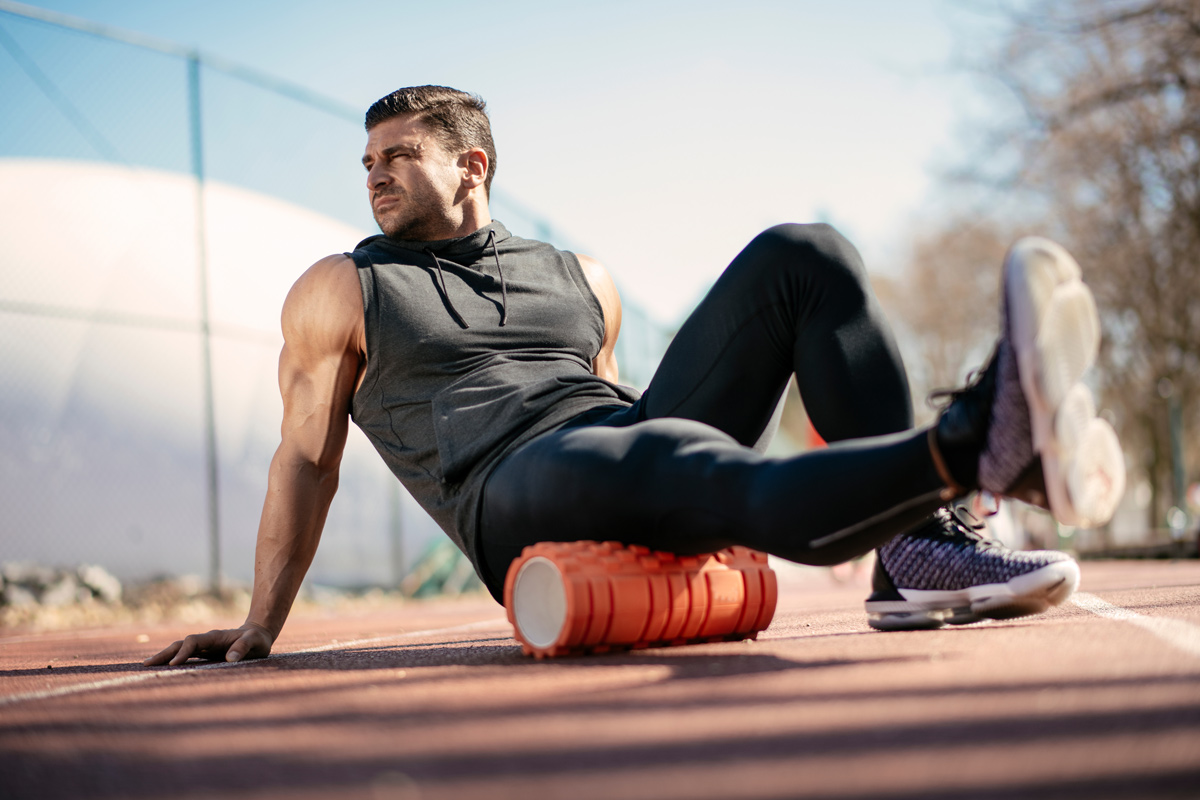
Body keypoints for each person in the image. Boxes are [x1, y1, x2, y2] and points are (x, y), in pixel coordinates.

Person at [146, 86, 1124, 666]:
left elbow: (619, 399)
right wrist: (259, 624)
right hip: (512, 483)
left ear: (472, 164)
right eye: (367, 160)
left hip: (616, 439)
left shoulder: (580, 276)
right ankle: (977, 442)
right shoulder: (342, 289)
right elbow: (305, 458)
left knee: (805, 252)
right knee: (689, 467)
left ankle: (920, 544)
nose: (374, 174)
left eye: (399, 155)